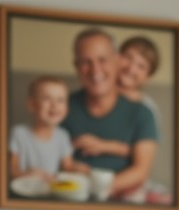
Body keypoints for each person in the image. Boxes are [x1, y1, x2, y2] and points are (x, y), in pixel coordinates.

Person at [62, 28, 157, 199]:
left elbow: (141, 170)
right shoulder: (61, 107)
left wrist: (95, 186)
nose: (95, 70)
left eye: (102, 60)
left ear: (116, 61)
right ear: (76, 66)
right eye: (85, 62)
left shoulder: (143, 113)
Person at [9, 75, 87, 182]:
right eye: (46, 98)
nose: (54, 105)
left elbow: (67, 167)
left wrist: (78, 169)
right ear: (31, 105)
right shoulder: (19, 133)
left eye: (60, 100)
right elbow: (11, 169)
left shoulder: (62, 136)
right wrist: (27, 174)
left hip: (51, 192)